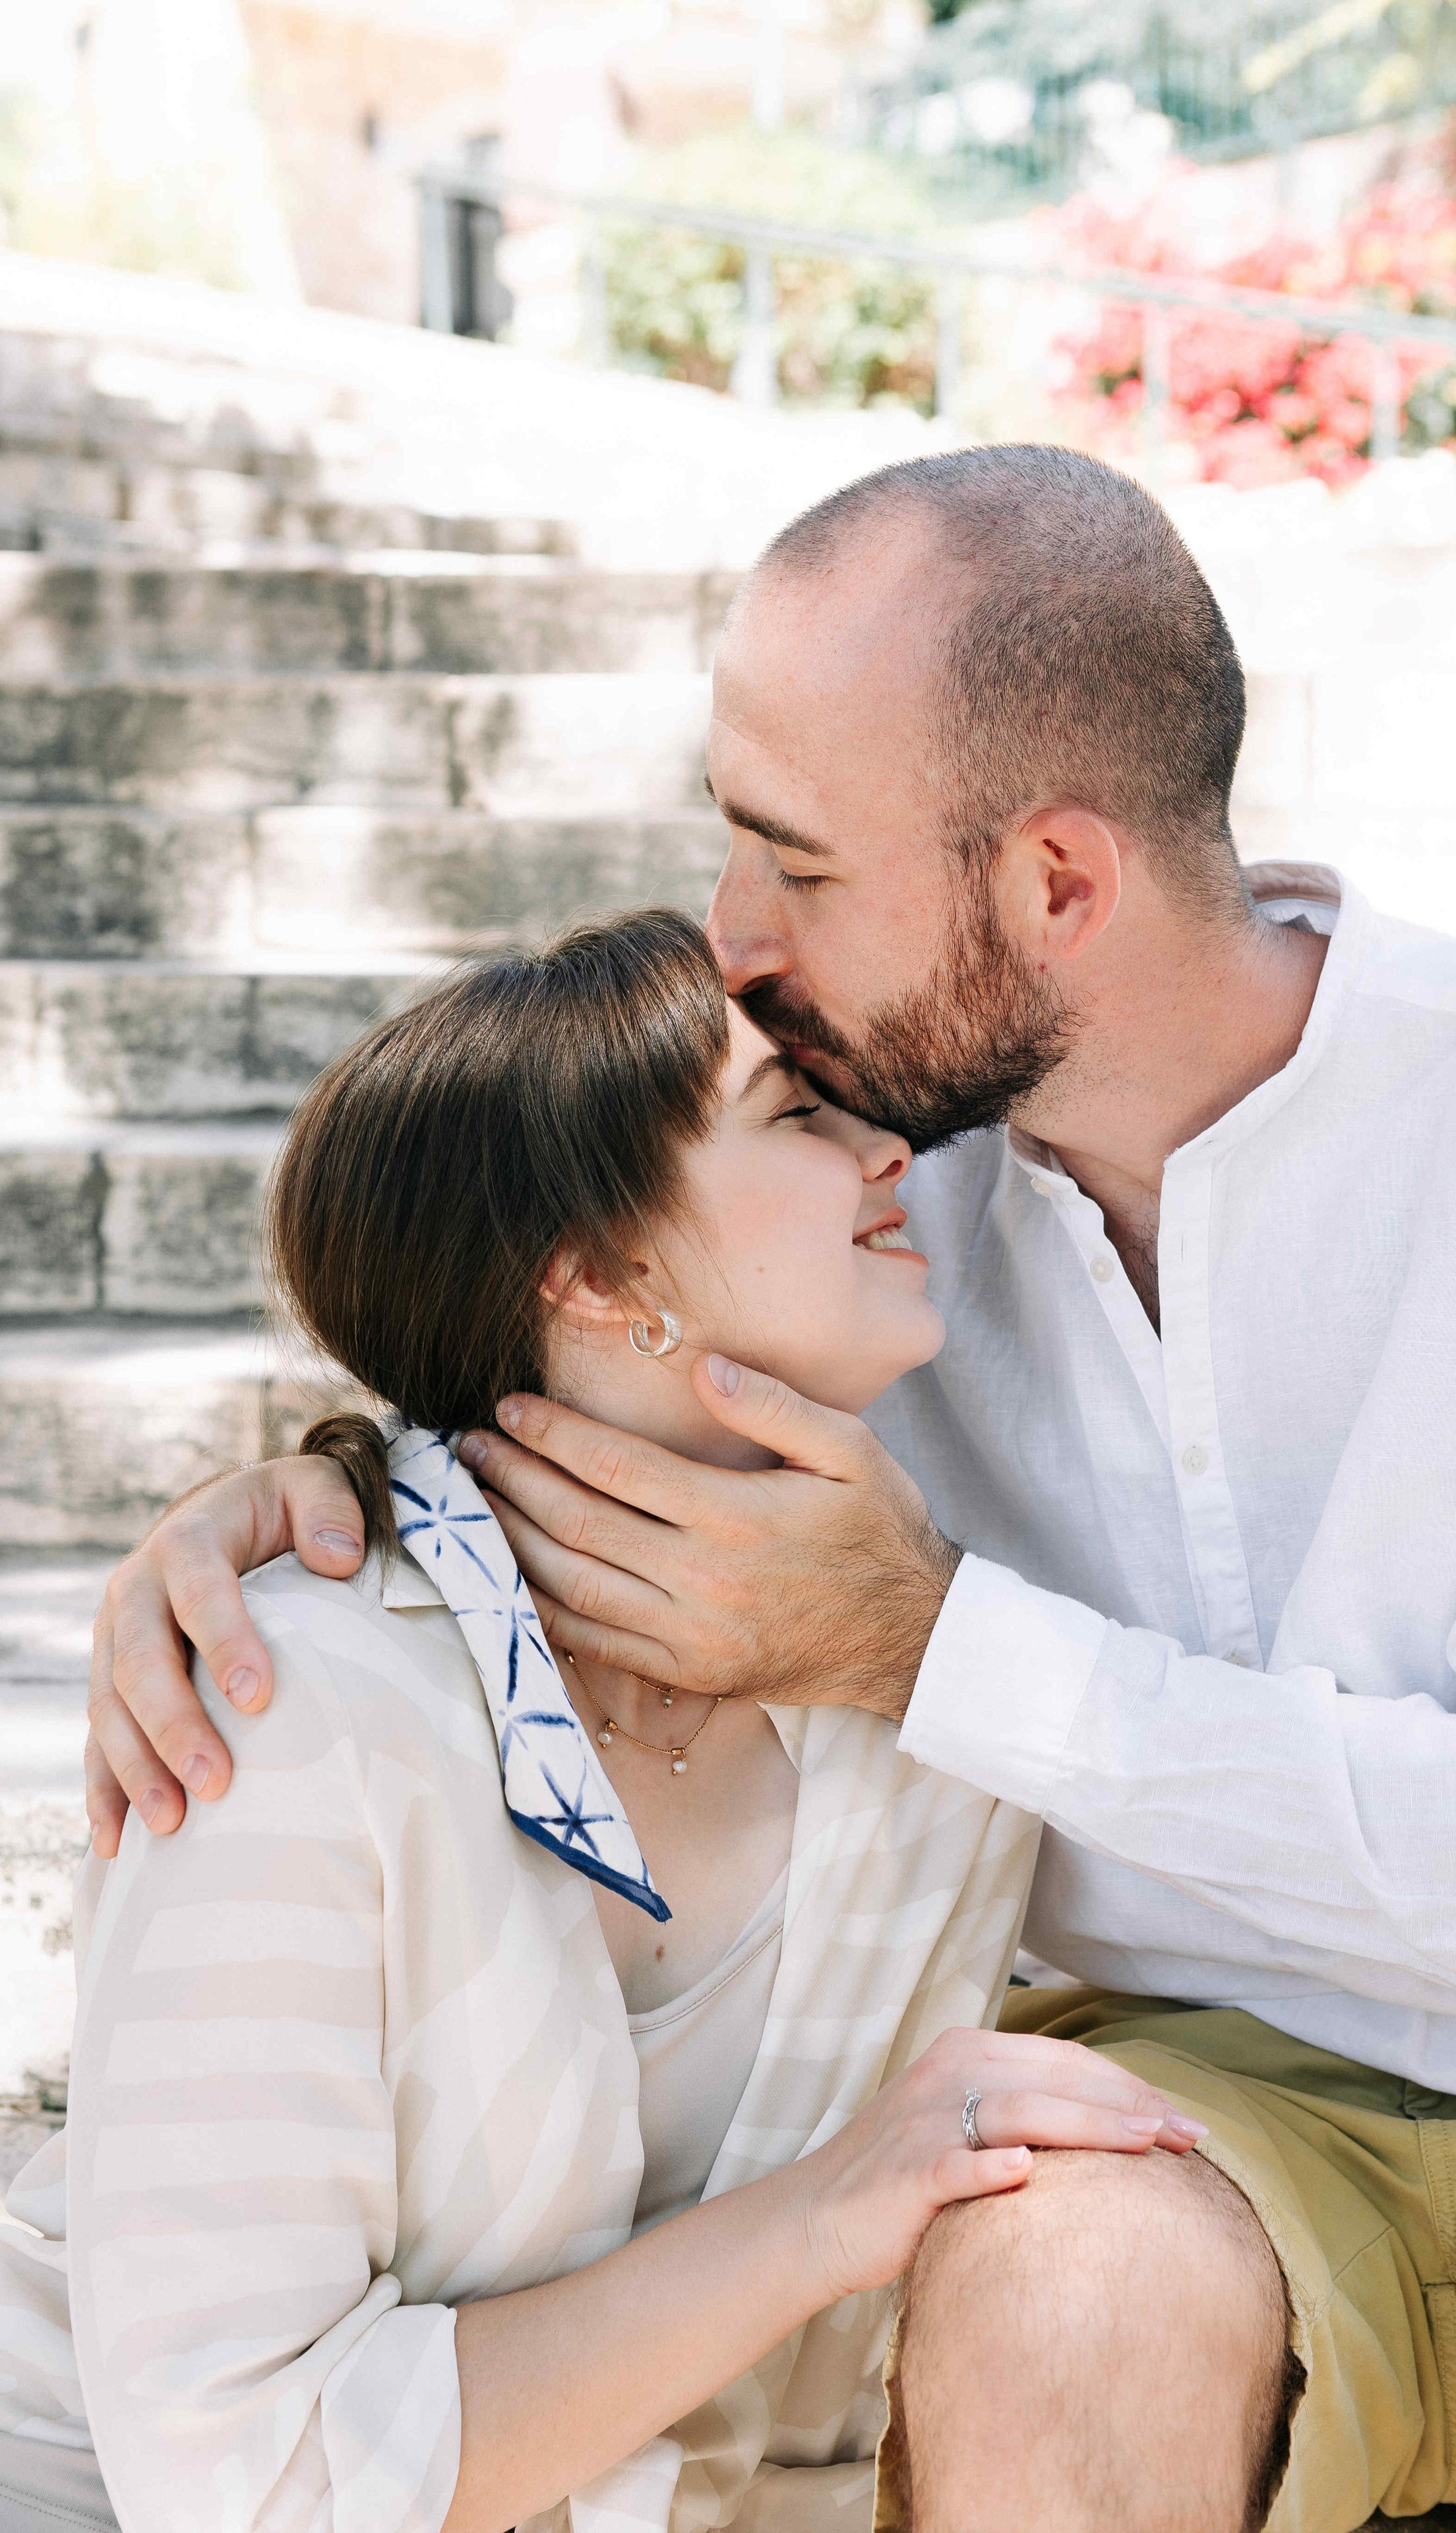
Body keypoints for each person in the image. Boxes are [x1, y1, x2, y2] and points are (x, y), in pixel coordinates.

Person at [80, 447, 1456, 2532]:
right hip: (1175, 2099)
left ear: (1057, 888)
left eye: (798, 863)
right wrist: (302, 1506)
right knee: (1061, 2282)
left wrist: (939, 1648)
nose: (737, 937)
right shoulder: (883, 1189)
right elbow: (584, 1291)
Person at [0, 908, 1203, 2533]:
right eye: (799, 1113)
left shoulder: (926, 1703)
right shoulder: (293, 1710)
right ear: (593, 1269)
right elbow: (248, 2477)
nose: (891, 1154)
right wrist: (820, 2214)